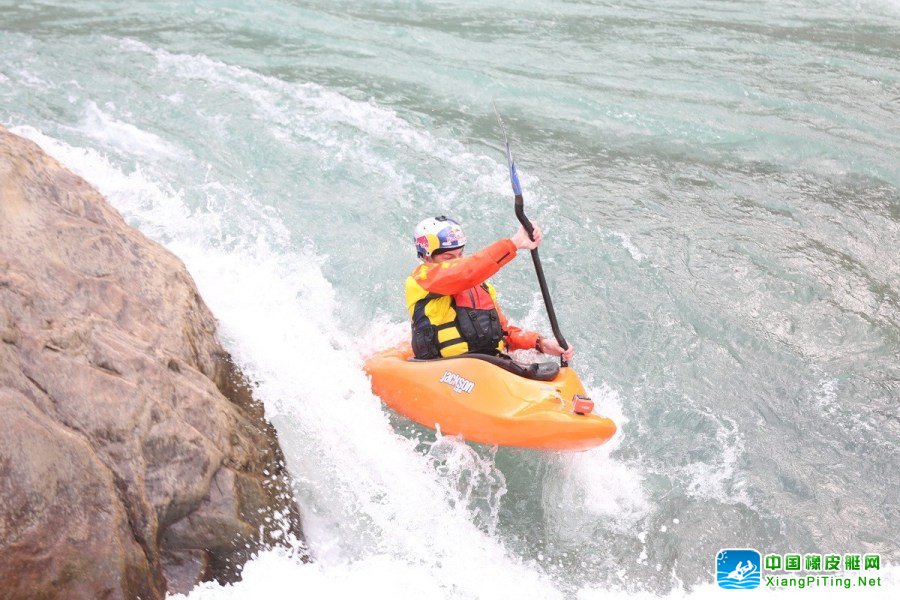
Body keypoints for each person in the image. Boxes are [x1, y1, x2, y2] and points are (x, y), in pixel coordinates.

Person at [406, 215, 575, 362]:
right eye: (448, 257)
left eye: (460, 255)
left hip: (487, 368)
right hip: (443, 369)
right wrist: (514, 243)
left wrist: (541, 343)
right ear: (427, 257)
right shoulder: (421, 280)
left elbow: (505, 334)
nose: (457, 261)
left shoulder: (482, 288)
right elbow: (466, 272)